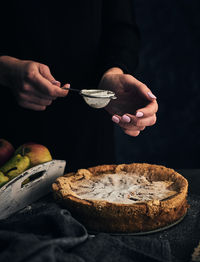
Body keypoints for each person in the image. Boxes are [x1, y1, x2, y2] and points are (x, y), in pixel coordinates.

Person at [0, 0, 158, 171]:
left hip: (88, 137)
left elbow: (121, 28)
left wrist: (114, 72)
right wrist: (4, 70)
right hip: (7, 134)